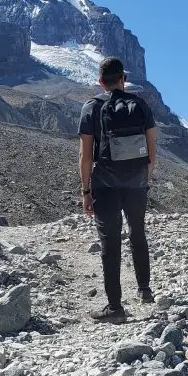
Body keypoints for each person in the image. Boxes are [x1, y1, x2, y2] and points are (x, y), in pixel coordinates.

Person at [78, 57, 158, 322]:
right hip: (136, 183)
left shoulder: (91, 108)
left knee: (110, 243)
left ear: (101, 82)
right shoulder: (141, 104)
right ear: (123, 78)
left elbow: (85, 155)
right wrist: (142, 177)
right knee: (138, 232)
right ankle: (145, 290)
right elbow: (152, 150)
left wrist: (86, 191)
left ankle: (115, 308)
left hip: (105, 185)